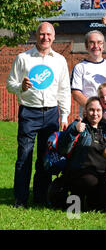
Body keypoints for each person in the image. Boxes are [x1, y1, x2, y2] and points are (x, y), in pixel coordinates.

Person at [6, 22, 71, 208]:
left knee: (46, 158)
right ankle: (20, 198)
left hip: (51, 113)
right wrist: (21, 87)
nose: (45, 38)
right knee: (24, 155)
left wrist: (64, 116)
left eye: (49, 34)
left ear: (54, 36)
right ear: (36, 36)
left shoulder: (60, 60)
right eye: (42, 34)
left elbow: (64, 90)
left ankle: (41, 197)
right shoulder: (23, 58)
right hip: (28, 112)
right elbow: (11, 84)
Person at [57, 97, 106, 211]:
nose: (95, 114)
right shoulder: (77, 125)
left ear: (102, 112)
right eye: (91, 110)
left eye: (98, 110)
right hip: (81, 173)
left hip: (102, 174)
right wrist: (74, 131)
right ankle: (74, 200)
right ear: (85, 111)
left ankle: (90, 201)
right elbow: (63, 149)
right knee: (90, 182)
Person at [71, 30, 106, 114]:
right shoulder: (80, 67)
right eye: (92, 43)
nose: (96, 46)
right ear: (86, 46)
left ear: (103, 46)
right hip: (91, 116)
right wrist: (94, 109)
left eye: (99, 43)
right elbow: (76, 93)